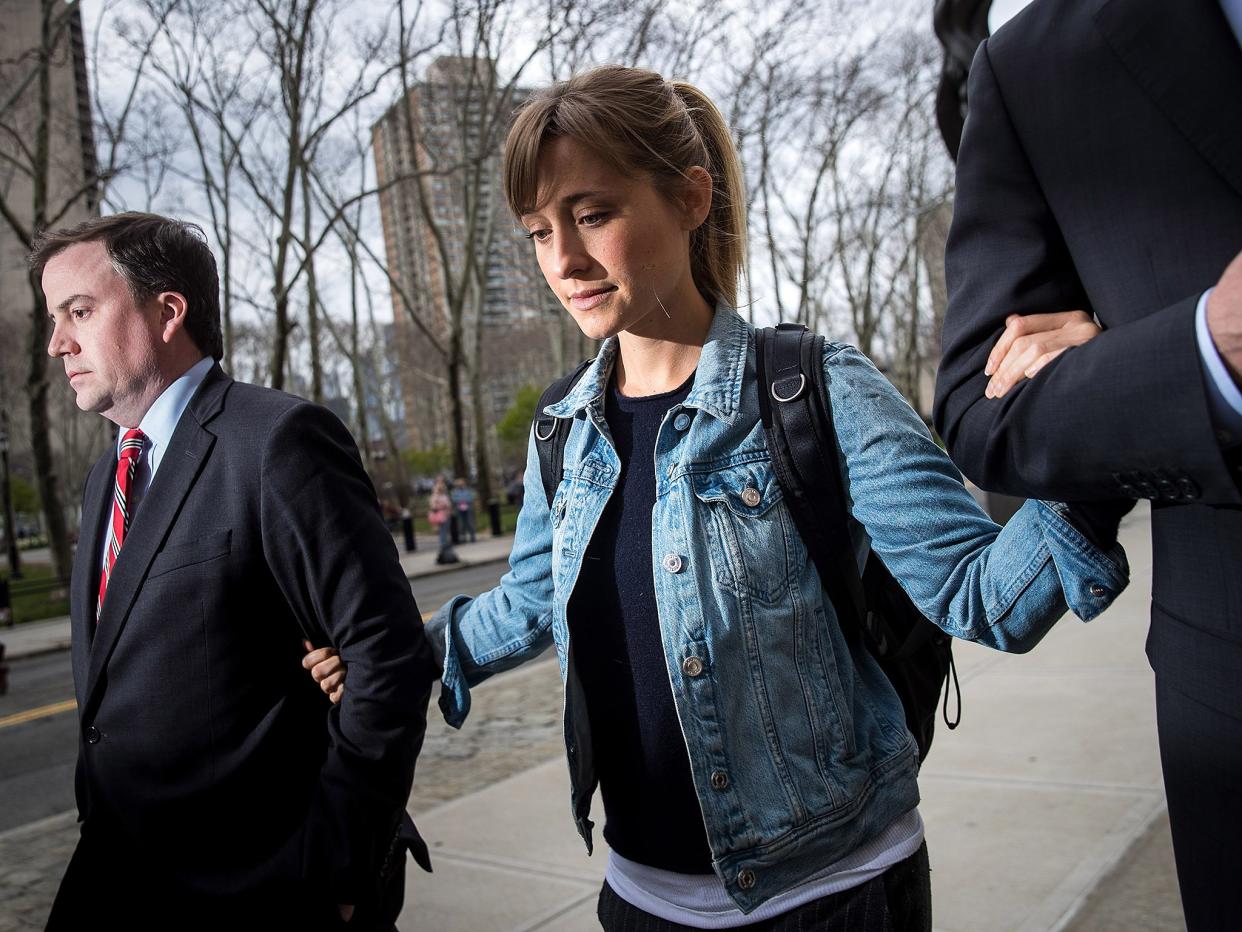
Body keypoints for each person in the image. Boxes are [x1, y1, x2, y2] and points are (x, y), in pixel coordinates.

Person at [307, 65, 1130, 930]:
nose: (564, 261)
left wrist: (1109, 422)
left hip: (830, 897)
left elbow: (978, 592)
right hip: (639, 902)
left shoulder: (816, 389)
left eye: (592, 215)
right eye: (540, 231)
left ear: (692, 198)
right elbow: (534, 598)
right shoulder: (564, 426)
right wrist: (398, 650)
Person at [35, 212, 438, 930]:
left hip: (263, 888)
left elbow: (391, 660)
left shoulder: (278, 441)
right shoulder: (106, 480)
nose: (57, 342)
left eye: (80, 311)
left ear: (167, 312)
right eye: (55, 318)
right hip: (121, 872)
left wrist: (334, 877)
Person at [933, 2, 1242, 928]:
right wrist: (1193, 352)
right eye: (545, 228)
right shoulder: (1033, 65)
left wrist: (1116, 348)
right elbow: (983, 415)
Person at [428, 476, 458, 564]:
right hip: (441, 515)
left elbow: (449, 504)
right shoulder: (435, 496)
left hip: (447, 514)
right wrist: (442, 505)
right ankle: (443, 547)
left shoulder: (445, 495)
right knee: (443, 531)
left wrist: (448, 507)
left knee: (446, 531)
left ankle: (446, 546)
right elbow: (433, 506)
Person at [451, 476, 478, 542]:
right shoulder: (454, 491)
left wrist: (464, 500)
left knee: (470, 522)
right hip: (459, 509)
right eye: (459, 484)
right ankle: (463, 537)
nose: (461, 485)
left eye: (462, 484)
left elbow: (472, 497)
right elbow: (454, 499)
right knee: (461, 524)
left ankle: (472, 536)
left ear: (464, 484)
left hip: (468, 508)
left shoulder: (469, 490)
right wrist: (461, 501)